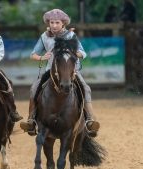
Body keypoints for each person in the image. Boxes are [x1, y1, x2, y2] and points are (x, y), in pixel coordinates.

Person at [19, 9, 100, 137]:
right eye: (52, 22)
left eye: (57, 22)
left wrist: (73, 53)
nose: (54, 25)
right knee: (34, 88)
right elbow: (32, 54)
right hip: (50, 71)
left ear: (63, 24)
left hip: (70, 71)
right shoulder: (44, 37)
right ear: (48, 23)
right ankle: (31, 120)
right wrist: (41, 57)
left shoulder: (70, 36)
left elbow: (83, 53)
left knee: (86, 88)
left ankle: (90, 120)